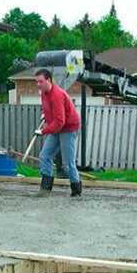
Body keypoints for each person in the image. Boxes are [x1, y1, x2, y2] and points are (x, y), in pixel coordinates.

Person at [33, 68, 82, 197]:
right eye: (36, 82)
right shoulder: (44, 93)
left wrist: (43, 131)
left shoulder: (57, 95)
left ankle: (76, 191)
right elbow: (46, 106)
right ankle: (45, 189)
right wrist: (44, 114)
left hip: (68, 128)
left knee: (68, 163)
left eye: (41, 81)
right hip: (57, 127)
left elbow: (60, 121)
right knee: (45, 156)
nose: (38, 84)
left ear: (48, 80)